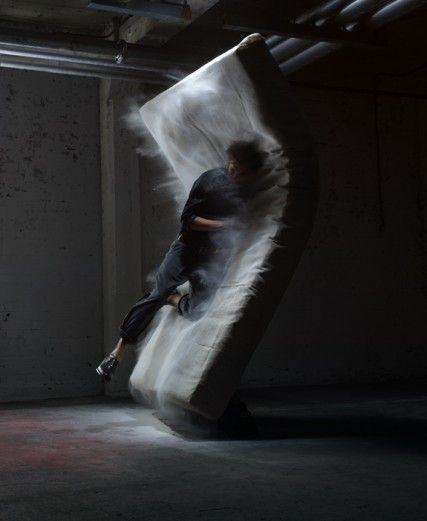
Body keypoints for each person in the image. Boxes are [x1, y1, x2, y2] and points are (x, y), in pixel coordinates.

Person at [96, 139, 266, 381]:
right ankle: (117, 353)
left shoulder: (246, 193)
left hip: (208, 259)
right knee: (156, 294)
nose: (236, 173)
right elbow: (188, 220)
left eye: (243, 172)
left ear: (251, 173)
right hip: (185, 249)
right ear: (230, 160)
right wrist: (222, 225)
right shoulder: (210, 179)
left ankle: (172, 298)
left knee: (198, 310)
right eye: (234, 166)